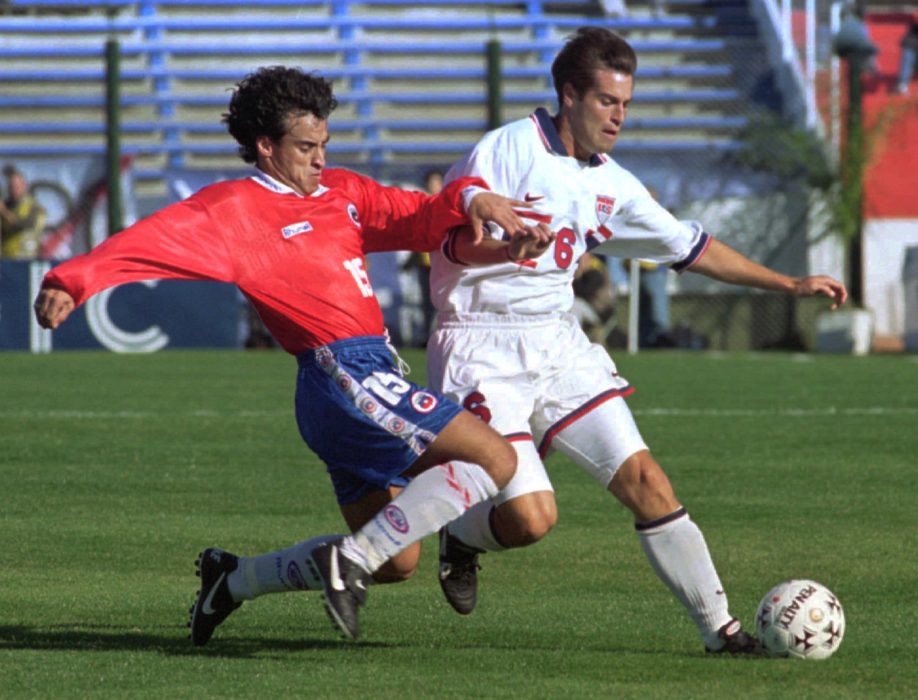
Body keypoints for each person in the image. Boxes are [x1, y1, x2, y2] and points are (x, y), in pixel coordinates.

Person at [33, 66, 553, 645]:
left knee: (394, 562)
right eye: (306, 147)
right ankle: (353, 561)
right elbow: (146, 241)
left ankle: (233, 579)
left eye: (324, 145)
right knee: (495, 460)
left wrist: (476, 206)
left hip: (355, 385)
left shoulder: (345, 194)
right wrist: (72, 280)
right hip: (341, 375)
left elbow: (422, 217)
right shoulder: (232, 210)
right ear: (266, 146)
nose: (319, 159)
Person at [426, 27, 848, 655]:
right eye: (606, 101)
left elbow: (691, 246)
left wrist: (786, 282)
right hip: (481, 347)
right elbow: (456, 222)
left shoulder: (613, 183)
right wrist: (504, 242)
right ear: (569, 96)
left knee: (648, 480)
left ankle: (721, 632)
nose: (619, 116)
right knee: (531, 519)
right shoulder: (508, 148)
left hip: (558, 343)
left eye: (626, 103)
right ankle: (462, 534)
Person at [1, 164, 46, 259]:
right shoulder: (7, 205)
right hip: (6, 258)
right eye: (11, 186)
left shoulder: (33, 207)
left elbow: (24, 225)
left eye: (16, 186)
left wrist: (4, 212)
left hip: (26, 258)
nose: (13, 189)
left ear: (24, 185)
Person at [896, 19, 918, 95]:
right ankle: (902, 84)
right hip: (913, 54)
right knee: (908, 53)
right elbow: (904, 41)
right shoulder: (913, 31)